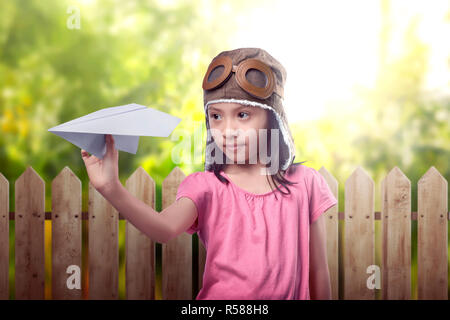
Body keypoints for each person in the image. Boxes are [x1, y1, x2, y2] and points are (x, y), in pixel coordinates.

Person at [81, 47, 337, 300]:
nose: (228, 130)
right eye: (216, 116)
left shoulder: (306, 183)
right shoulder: (206, 187)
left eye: (243, 114)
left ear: (273, 118)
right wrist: (110, 188)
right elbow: (164, 229)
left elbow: (317, 271)